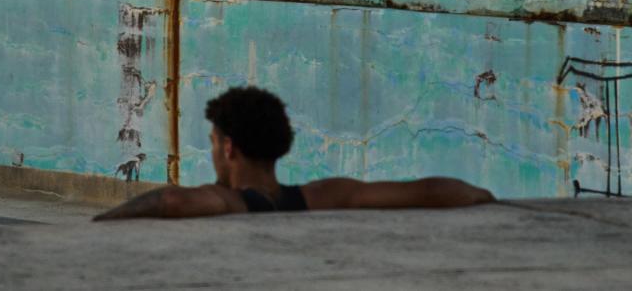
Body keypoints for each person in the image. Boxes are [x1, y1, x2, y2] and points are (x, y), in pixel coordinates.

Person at [94, 87, 494, 220]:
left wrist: (100, 220)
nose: (214, 152)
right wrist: (483, 197)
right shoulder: (324, 196)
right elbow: (429, 191)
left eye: (214, 143)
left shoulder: (230, 201)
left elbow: (171, 199)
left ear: (229, 147)